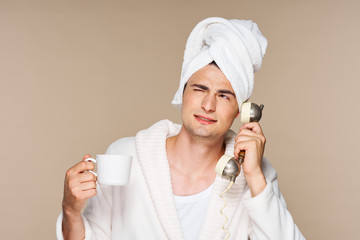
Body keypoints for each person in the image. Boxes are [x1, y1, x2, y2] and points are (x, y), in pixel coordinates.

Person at [56, 17, 305, 240]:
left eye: (224, 96)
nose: (208, 105)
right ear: (182, 93)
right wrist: (70, 210)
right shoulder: (125, 155)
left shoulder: (257, 173)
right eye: (200, 89)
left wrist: (253, 177)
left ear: (242, 111)